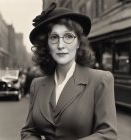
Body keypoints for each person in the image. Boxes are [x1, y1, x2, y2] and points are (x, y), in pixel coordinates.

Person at [21, 2, 117, 140]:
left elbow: (108, 134)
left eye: (68, 37)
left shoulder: (101, 80)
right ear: (47, 44)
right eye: (54, 38)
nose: (61, 45)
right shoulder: (37, 84)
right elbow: (28, 131)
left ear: (78, 43)